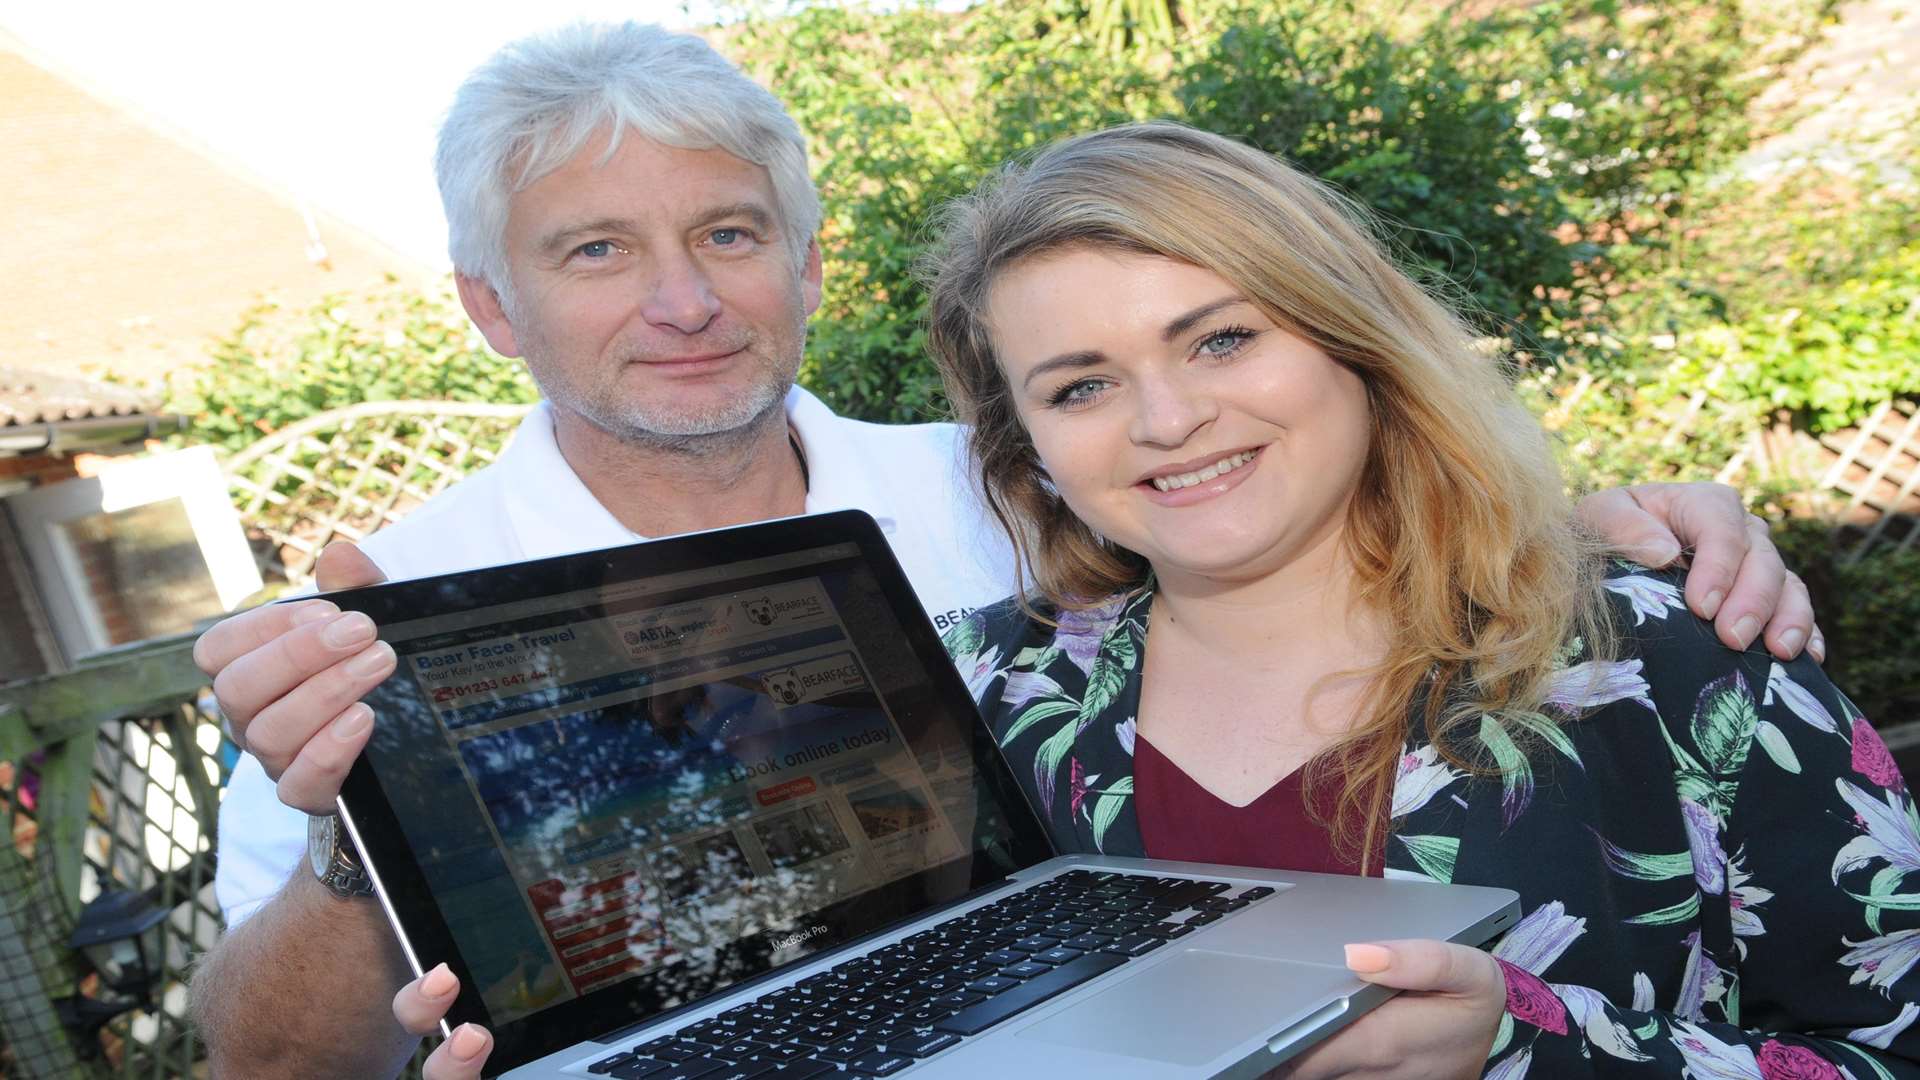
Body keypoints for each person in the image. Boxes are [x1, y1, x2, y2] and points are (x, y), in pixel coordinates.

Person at [185, 24, 1821, 1080]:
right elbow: (267, 1067)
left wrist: (1596, 535)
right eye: (597, 251)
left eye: (729, 235)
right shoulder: (372, 618)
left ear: (809, 268)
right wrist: (374, 837)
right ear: (491, 306)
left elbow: (1324, 514)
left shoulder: (1019, 499)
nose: (681, 302)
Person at [914, 121, 1918, 1077]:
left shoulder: (1670, 653)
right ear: (1027, 450)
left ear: (1353, 340)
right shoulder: (970, 703)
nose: (1169, 419)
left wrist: (1531, 1050)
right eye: (1081, 387)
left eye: (1220, 339)